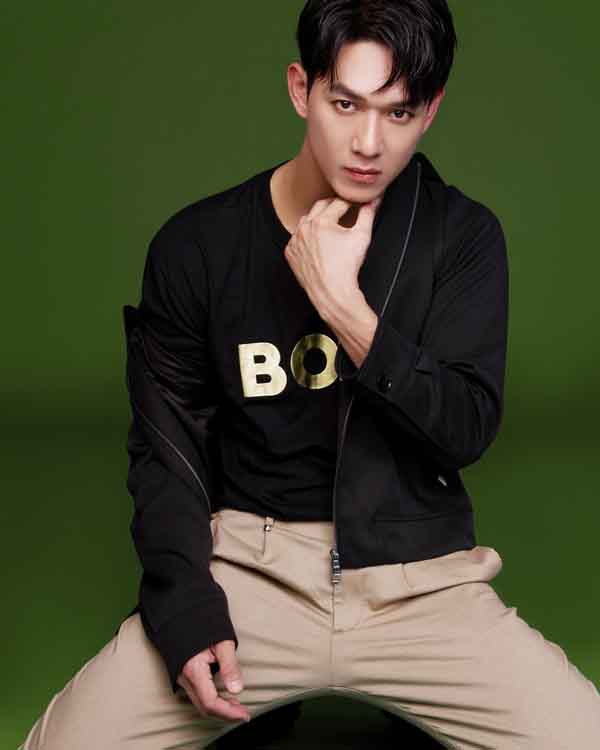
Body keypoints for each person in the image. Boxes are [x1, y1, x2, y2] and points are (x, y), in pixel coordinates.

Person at [19, 1, 600, 748]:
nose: (368, 143)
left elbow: (464, 426)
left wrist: (342, 306)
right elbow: (166, 452)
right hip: (247, 574)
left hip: (417, 583)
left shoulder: (461, 237)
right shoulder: (199, 246)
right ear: (302, 89)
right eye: (345, 103)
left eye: (398, 113)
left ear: (431, 111)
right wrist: (186, 604)